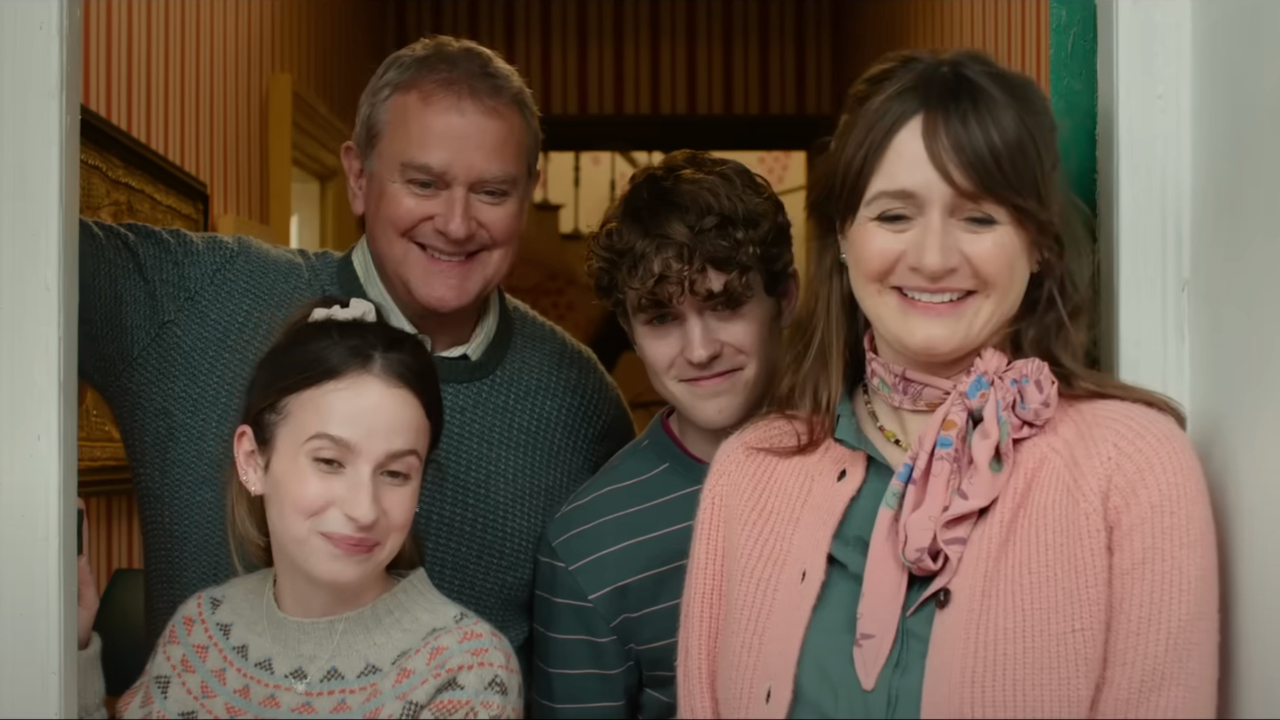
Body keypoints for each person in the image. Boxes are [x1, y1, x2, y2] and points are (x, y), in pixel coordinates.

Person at [675, 49, 1219, 719]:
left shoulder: (1135, 469)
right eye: (895, 216)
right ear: (843, 237)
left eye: (979, 218)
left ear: (1040, 244)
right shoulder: (750, 472)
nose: (933, 258)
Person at [77, 34, 635, 668]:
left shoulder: (581, 405)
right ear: (358, 177)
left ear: (530, 190)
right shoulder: (193, 300)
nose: (455, 224)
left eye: (492, 192)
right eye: (424, 183)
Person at [76, 297, 524, 719]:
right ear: (253, 460)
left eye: (395, 474)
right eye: (329, 461)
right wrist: (73, 651)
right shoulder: (201, 632)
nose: (364, 508)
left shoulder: (466, 672)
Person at [530, 150, 798, 719]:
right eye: (661, 319)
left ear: (787, 297)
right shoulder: (585, 548)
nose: (699, 350)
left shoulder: (882, 466)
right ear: (628, 330)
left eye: (725, 304)